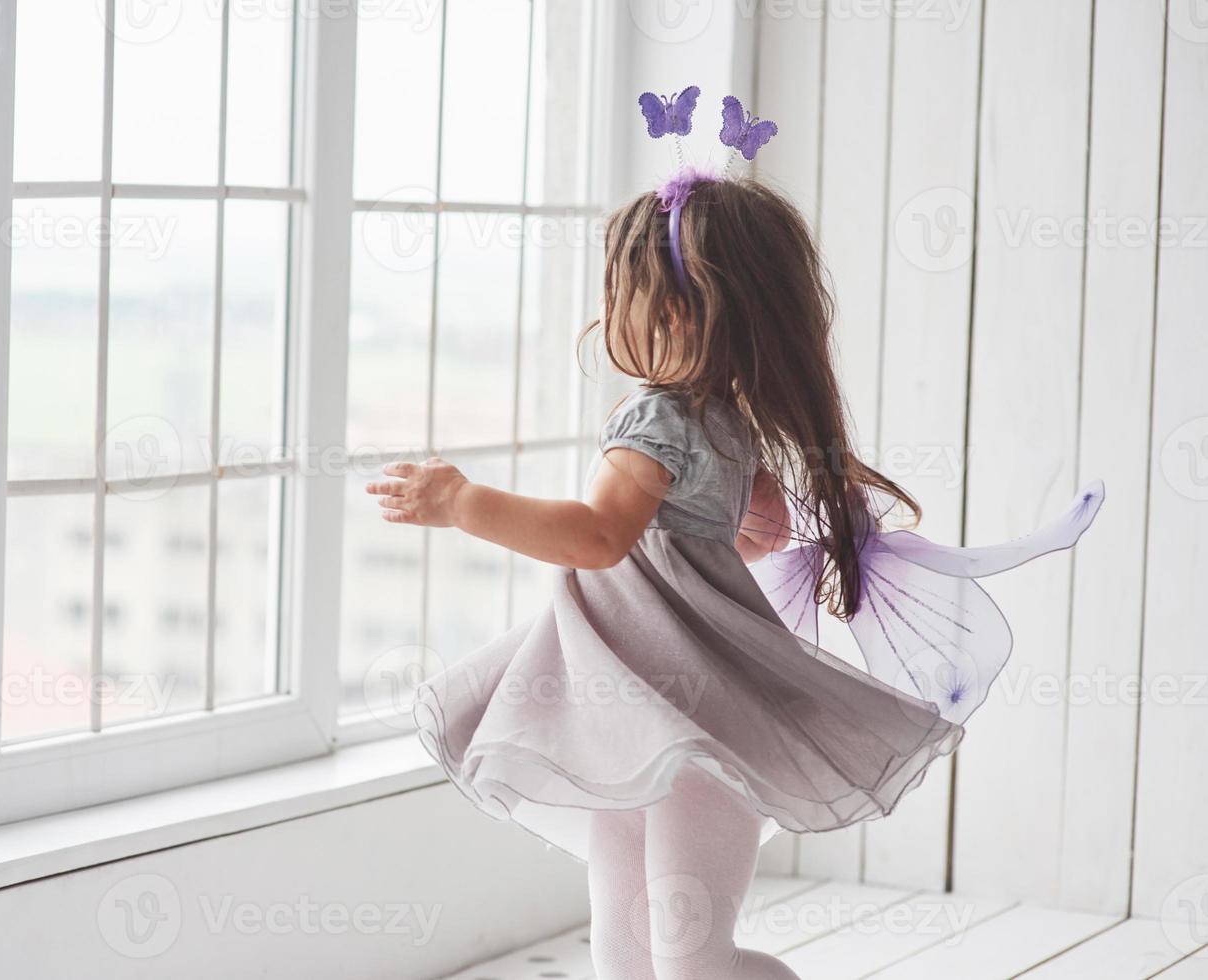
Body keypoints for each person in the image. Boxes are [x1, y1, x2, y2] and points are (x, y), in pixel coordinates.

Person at [364, 104, 1102, 979]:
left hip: (673, 717)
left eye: (620, 293)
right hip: (640, 710)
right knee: (641, 942)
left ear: (677, 311)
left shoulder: (655, 420)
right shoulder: (725, 419)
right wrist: (725, 537)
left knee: (678, 952)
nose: (607, 316)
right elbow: (735, 538)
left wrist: (464, 501)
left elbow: (597, 538)